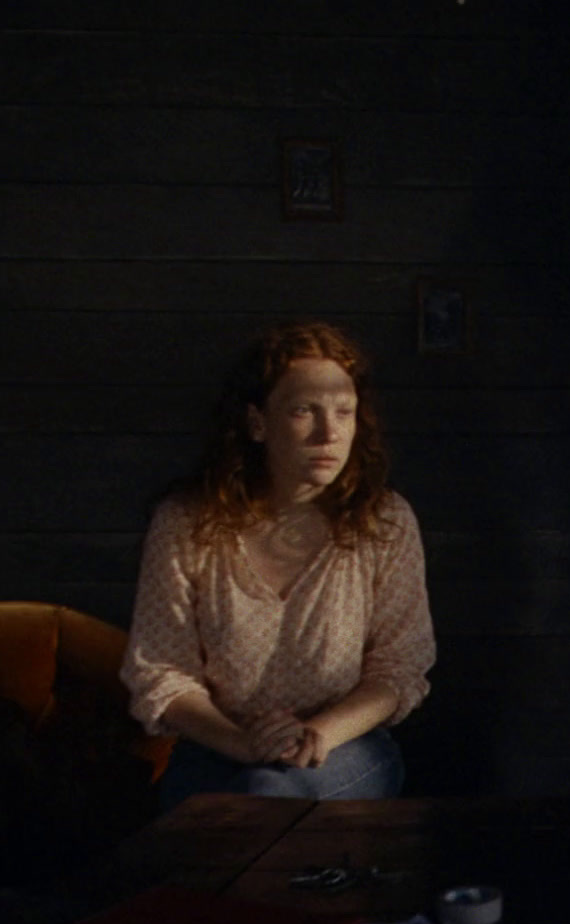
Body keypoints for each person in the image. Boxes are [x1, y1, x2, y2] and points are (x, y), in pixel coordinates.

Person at [122, 321, 436, 811]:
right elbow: (163, 673)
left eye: (344, 412)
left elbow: (399, 669)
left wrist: (316, 734)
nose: (329, 432)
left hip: (345, 746)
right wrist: (243, 743)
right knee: (244, 798)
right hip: (216, 751)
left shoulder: (384, 522)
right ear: (257, 423)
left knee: (266, 796)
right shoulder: (186, 523)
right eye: (303, 411)